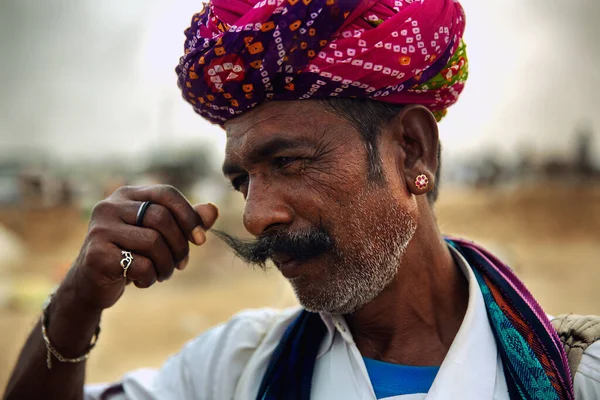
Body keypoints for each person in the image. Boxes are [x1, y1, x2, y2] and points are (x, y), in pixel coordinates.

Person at [4, 0, 600, 399]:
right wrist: (80, 297)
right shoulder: (235, 368)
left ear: (413, 153)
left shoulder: (581, 374)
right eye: (242, 181)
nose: (258, 214)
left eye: (287, 162)